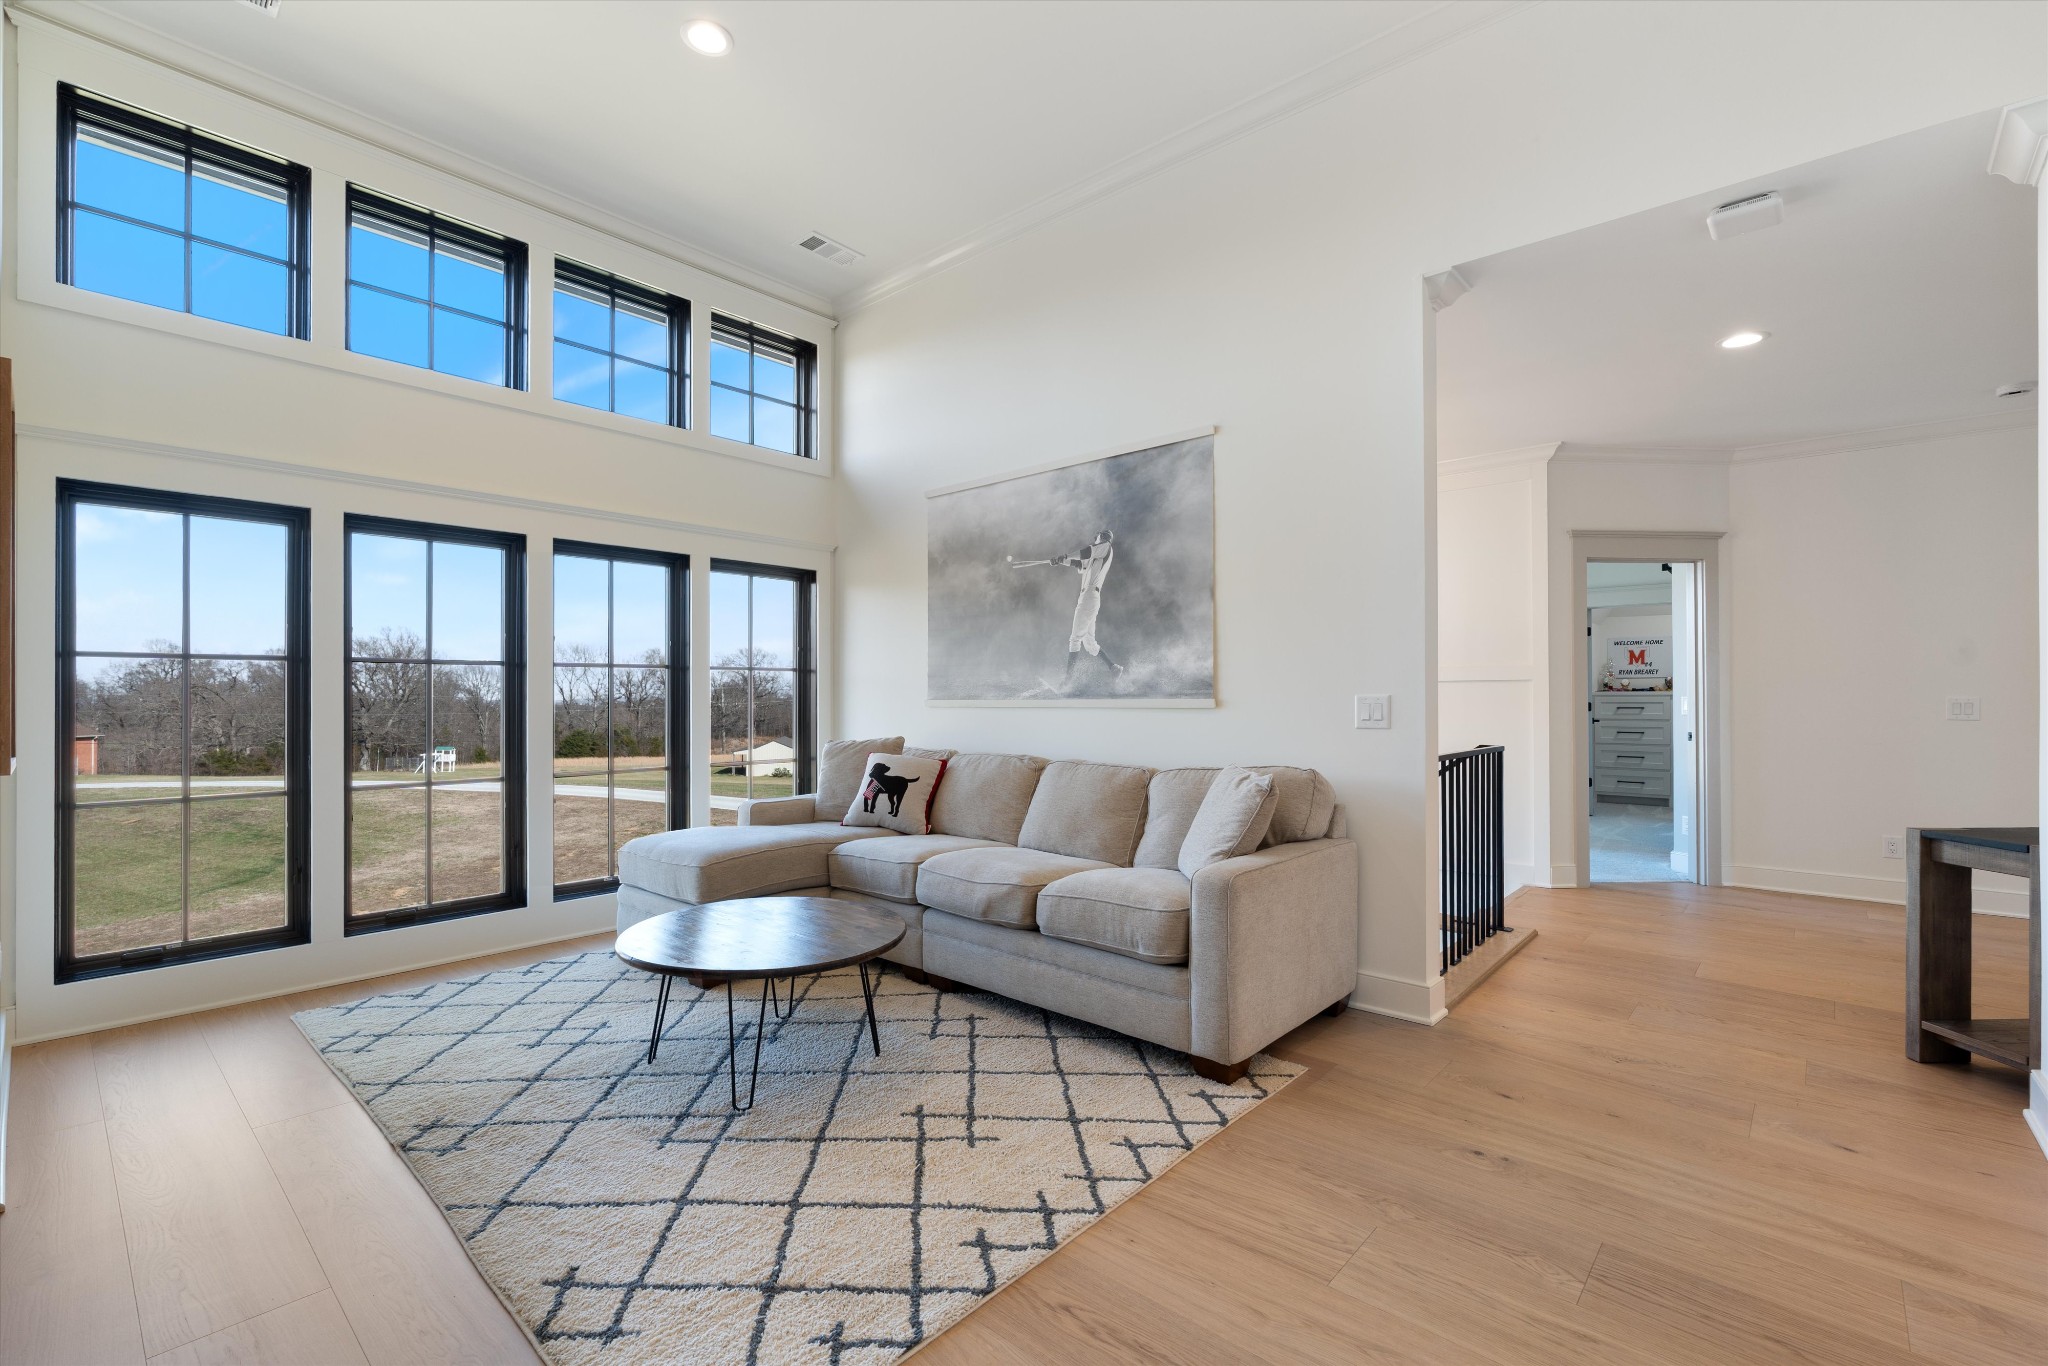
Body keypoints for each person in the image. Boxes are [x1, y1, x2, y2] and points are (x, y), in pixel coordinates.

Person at [1017, 530, 1124, 687]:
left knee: (1075, 639)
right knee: (1089, 643)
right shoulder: (1095, 558)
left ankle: (1068, 680)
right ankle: (1114, 668)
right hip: (1090, 598)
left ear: (1103, 537)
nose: (1095, 540)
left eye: (1097, 537)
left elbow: (1086, 551)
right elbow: (1078, 563)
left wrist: (1066, 556)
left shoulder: (1105, 546)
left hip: (1089, 598)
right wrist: (1060, 560)